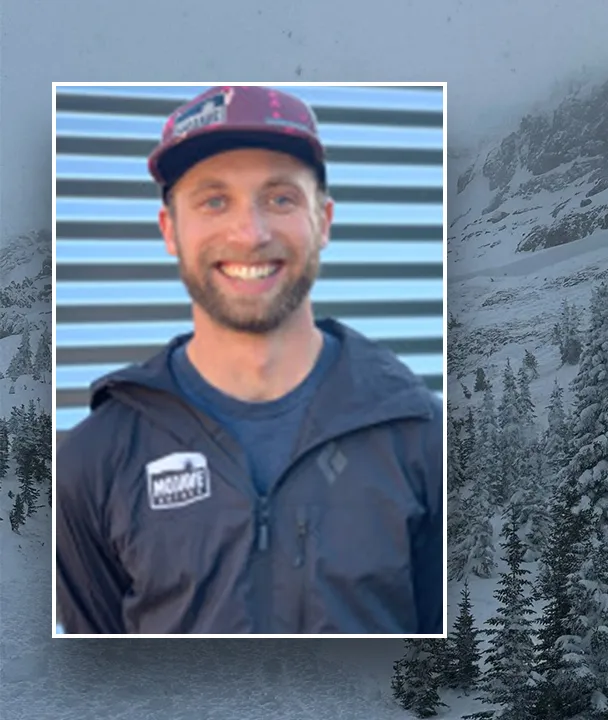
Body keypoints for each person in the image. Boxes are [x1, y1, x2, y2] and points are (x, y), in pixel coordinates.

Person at [55, 85, 444, 635]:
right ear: (170, 231)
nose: (251, 233)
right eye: (214, 200)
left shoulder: (422, 438)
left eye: (281, 198)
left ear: (324, 221)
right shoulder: (96, 456)